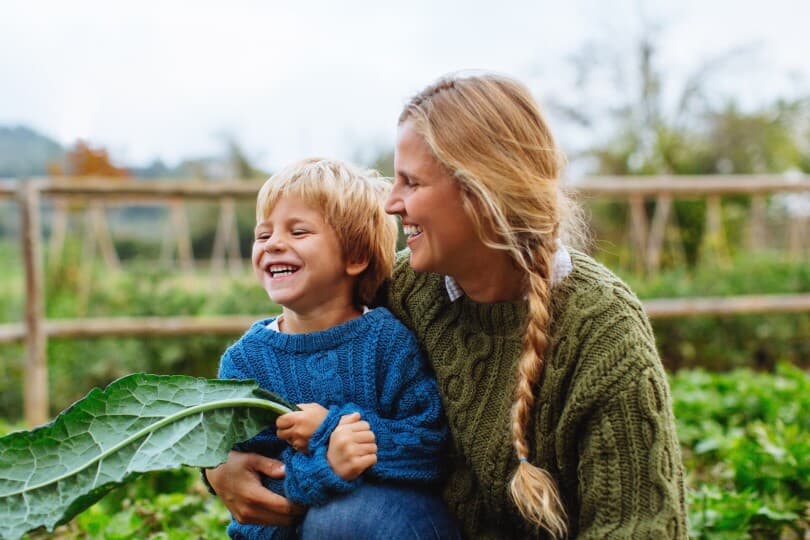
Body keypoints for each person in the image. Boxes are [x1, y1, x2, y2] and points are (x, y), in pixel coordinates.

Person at [207, 73, 687, 539]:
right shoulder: (405, 290)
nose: (392, 204)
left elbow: (640, 525)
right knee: (346, 515)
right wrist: (219, 468)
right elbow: (295, 347)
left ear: (482, 193)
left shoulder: (603, 330)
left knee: (344, 520)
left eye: (411, 183)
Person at [205, 157, 458, 539]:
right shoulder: (245, 361)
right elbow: (251, 483)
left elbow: (429, 447)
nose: (273, 244)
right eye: (263, 235)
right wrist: (327, 462)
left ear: (355, 256)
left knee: (336, 518)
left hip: (386, 523)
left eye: (299, 232)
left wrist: (332, 429)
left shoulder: (386, 342)